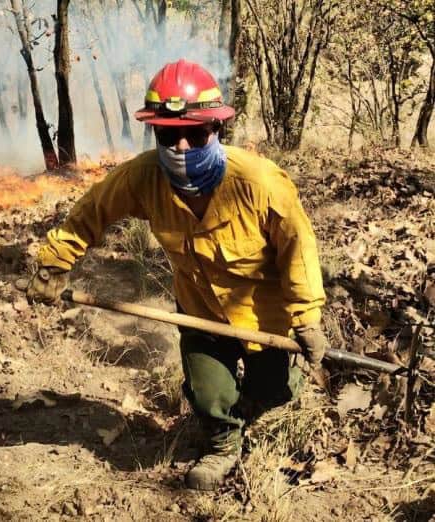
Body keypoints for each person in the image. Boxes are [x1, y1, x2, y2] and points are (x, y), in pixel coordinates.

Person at [27, 59, 329, 490]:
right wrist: (54, 262)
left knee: (276, 390)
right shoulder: (142, 177)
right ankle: (223, 444)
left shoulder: (260, 183)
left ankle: (254, 407)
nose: (182, 146)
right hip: (199, 310)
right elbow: (89, 213)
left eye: (194, 133)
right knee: (209, 396)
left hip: (267, 317)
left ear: (216, 130)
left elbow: (299, 248)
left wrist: (307, 317)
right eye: (168, 135)